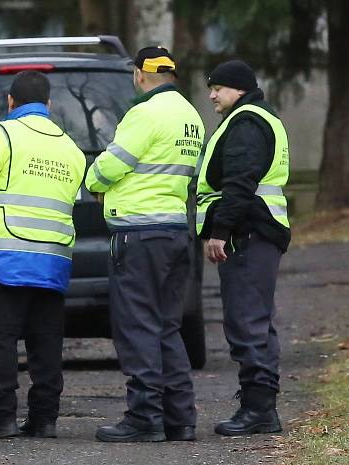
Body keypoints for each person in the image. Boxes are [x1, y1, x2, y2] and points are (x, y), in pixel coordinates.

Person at [0, 70, 86, 439]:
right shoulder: (71, 148)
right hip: (54, 261)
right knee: (46, 343)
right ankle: (44, 418)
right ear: (48, 105)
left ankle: (2, 418)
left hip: (4, 258)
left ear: (10, 102)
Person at [84, 47, 204, 443]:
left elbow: (111, 164)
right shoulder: (190, 115)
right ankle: (179, 418)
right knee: (167, 327)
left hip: (138, 234)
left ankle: (144, 418)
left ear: (139, 75)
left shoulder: (144, 113)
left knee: (137, 326)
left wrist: (94, 181)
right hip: (173, 230)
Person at [195, 60, 290, 436]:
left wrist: (219, 232)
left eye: (218, 88)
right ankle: (259, 405)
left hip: (248, 232)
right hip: (258, 232)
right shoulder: (258, 118)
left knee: (247, 321)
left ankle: (259, 410)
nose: (213, 94)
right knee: (255, 320)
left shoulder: (246, 122)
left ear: (238, 88)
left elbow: (238, 182)